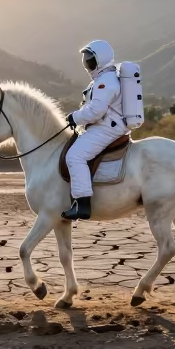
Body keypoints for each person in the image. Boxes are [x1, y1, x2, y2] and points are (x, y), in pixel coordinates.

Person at [62, 40, 127, 221]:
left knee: (75, 156)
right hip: (110, 125)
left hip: (107, 128)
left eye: (89, 59)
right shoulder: (105, 78)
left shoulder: (104, 82)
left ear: (100, 60)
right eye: (86, 59)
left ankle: (82, 204)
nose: (86, 63)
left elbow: (96, 111)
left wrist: (75, 117)